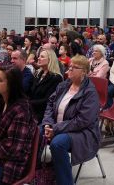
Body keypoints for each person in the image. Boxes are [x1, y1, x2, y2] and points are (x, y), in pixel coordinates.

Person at [42, 55, 100, 185]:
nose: (70, 70)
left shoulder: (90, 92)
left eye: (74, 67)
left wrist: (55, 129)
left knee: (57, 144)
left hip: (82, 131)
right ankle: (38, 172)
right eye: (69, 67)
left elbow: (82, 121)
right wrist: (47, 123)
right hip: (57, 126)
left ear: (84, 72)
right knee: (34, 131)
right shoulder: (64, 85)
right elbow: (50, 104)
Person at [29, 49, 63, 123]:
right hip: (31, 109)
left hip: (43, 114)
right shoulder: (39, 73)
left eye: (42, 57)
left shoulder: (56, 78)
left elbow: (48, 100)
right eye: (39, 56)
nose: (38, 58)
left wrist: (29, 103)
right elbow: (31, 92)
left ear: (50, 60)